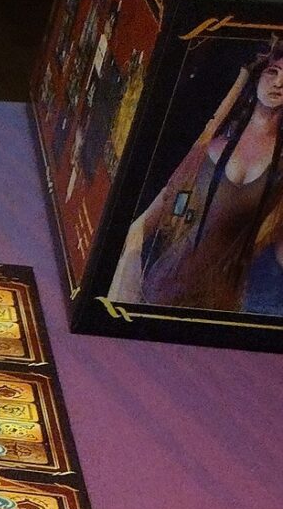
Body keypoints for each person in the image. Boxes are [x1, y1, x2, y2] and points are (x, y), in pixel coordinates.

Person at [110, 39, 283, 313]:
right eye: (273, 72)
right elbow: (145, 222)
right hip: (158, 288)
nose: (278, 83)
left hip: (219, 304)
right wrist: (128, 274)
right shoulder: (214, 139)